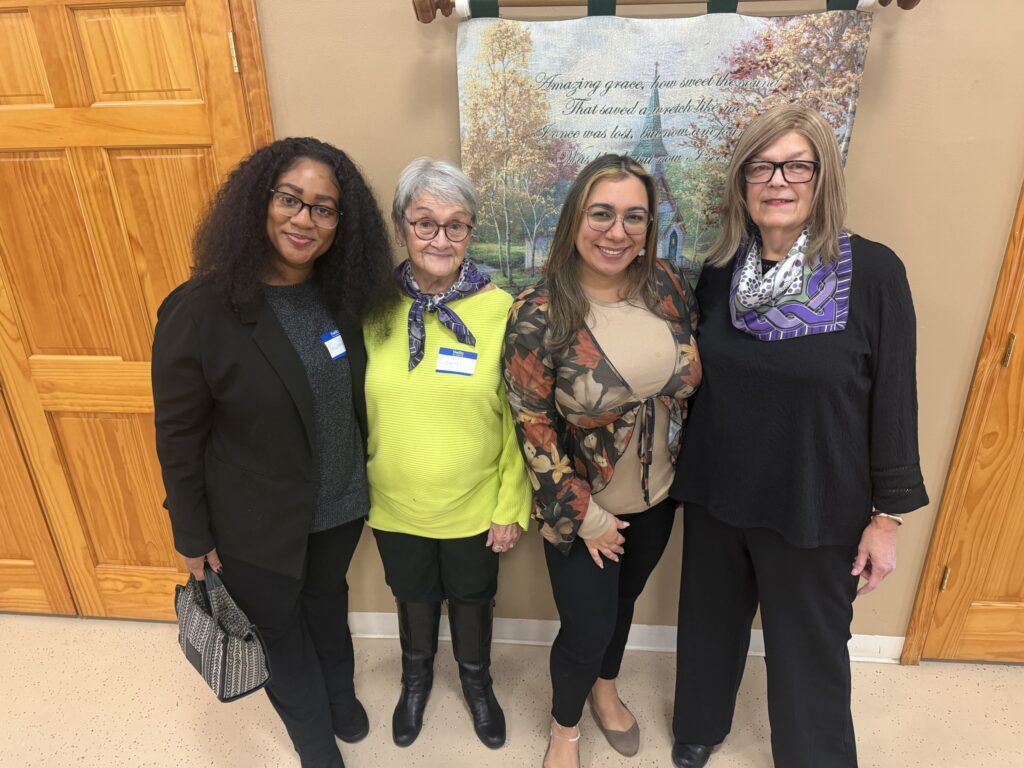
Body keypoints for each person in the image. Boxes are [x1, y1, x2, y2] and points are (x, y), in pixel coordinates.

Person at [669, 105, 929, 768]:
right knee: (707, 626)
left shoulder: (871, 274)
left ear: (822, 178)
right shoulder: (721, 273)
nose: (777, 179)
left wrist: (886, 519)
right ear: (743, 181)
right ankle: (699, 724)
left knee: (808, 649)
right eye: (761, 165)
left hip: (817, 501)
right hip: (718, 493)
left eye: (796, 165)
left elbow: (895, 399)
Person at [152, 137, 398, 768]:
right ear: (259, 202)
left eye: (323, 208)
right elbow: (178, 434)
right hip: (255, 523)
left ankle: (341, 702)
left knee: (326, 603)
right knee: (282, 631)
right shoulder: (200, 311)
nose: (304, 220)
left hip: (340, 507)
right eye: (291, 199)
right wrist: (190, 529)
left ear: (341, 224)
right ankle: (318, 749)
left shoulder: (343, 298)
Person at [503, 154, 702, 768]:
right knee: (586, 628)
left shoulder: (667, 286)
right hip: (584, 511)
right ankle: (565, 730)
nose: (618, 232)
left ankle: (605, 688)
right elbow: (531, 421)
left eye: (634, 217)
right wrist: (579, 512)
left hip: (658, 497)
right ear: (576, 219)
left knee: (624, 606)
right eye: (602, 214)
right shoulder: (539, 312)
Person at [364, 157, 532, 750]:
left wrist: (511, 504)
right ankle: (415, 682)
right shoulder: (370, 308)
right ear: (399, 225)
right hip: (393, 504)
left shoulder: (502, 310)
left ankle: (477, 684)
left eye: (456, 225)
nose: (440, 238)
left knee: (471, 598)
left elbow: (521, 418)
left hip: (475, 505)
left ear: (471, 231)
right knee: (411, 597)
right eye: (425, 223)